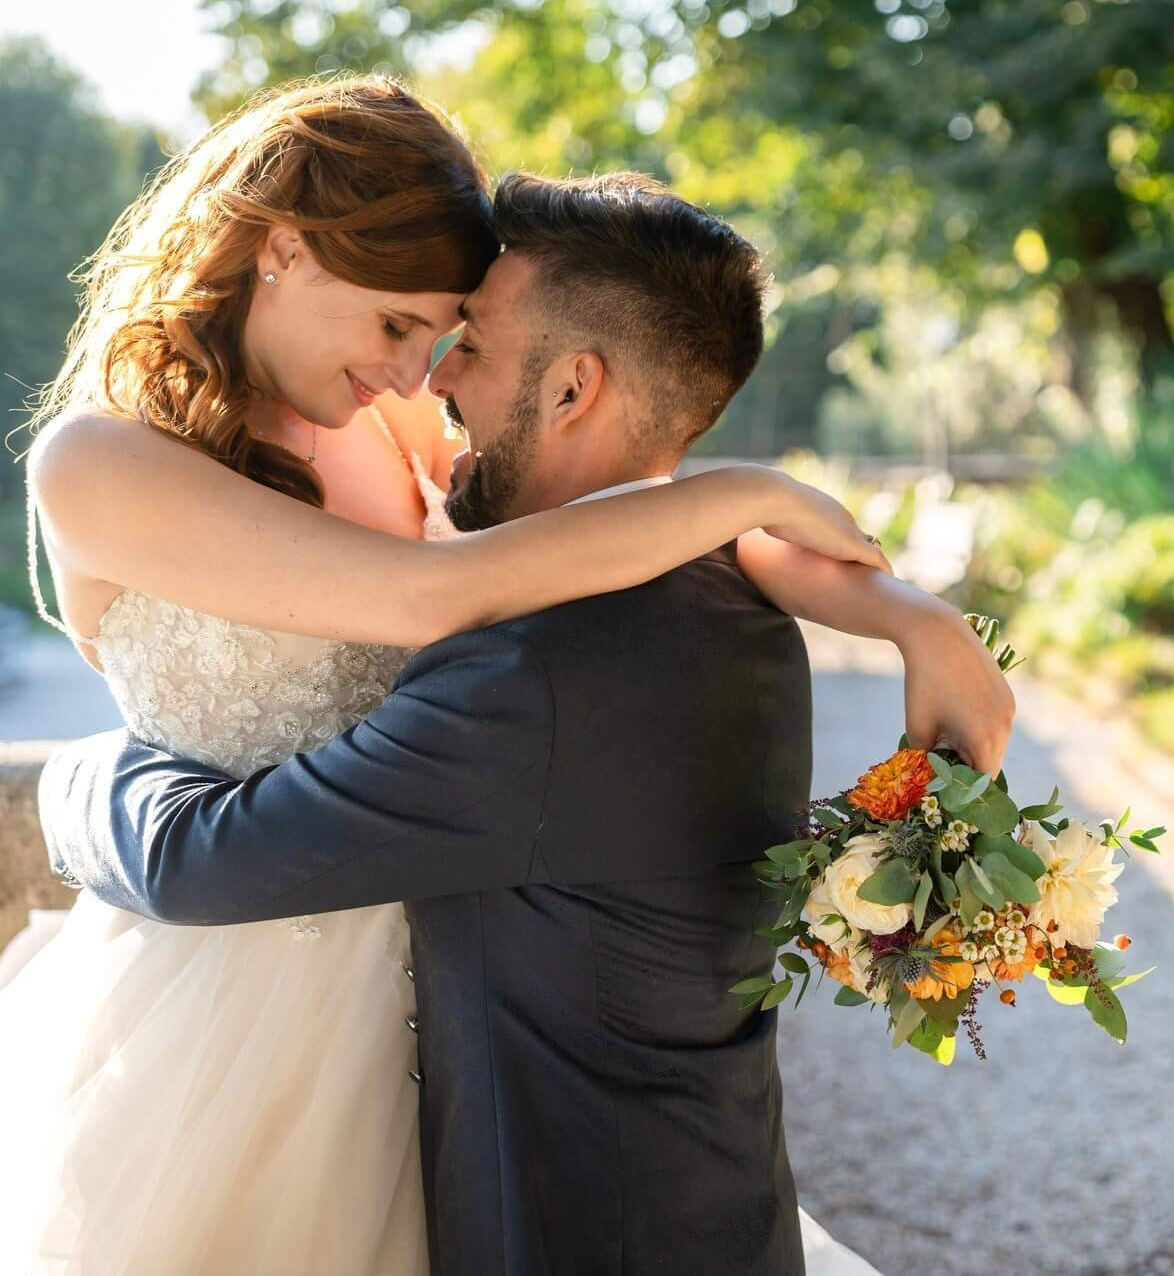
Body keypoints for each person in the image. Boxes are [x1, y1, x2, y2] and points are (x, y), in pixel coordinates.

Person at [6, 77, 1009, 1273]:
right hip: (221, 999)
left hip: (423, 982)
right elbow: (439, 593)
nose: (413, 375)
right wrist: (735, 491)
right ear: (282, 250)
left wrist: (902, 613)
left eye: (438, 339)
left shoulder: (377, 417)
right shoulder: (103, 462)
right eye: (393, 327)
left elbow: (587, 506)